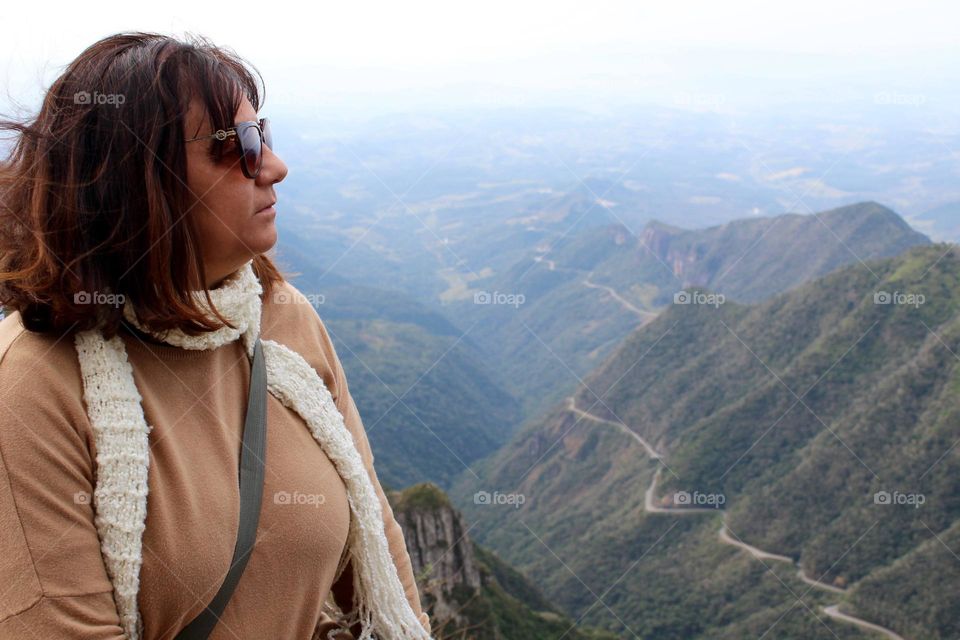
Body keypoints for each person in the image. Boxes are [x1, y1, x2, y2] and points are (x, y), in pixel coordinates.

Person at [0, 31, 433, 639]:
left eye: (264, 136)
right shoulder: (31, 389)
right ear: (134, 181)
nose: (275, 166)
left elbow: (375, 541)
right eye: (239, 147)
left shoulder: (282, 319)